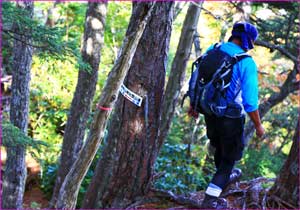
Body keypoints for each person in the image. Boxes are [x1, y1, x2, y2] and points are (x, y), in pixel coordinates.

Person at [194, 22, 265, 209]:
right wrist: (258, 126)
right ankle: (210, 201)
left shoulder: (213, 49)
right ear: (248, 40)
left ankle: (221, 183)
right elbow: (250, 102)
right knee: (228, 160)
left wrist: (193, 106)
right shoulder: (246, 62)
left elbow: (198, 78)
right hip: (231, 118)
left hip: (209, 112)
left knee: (219, 149)